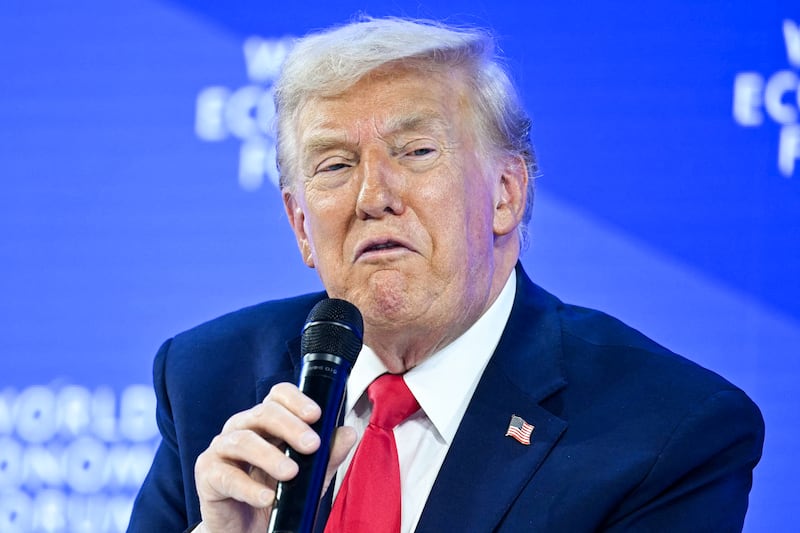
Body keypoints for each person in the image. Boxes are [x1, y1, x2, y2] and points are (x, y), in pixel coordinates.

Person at [128, 16, 764, 533]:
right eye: (334, 165)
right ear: (300, 226)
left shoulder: (667, 432)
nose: (373, 195)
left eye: (416, 151)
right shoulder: (208, 380)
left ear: (505, 195)